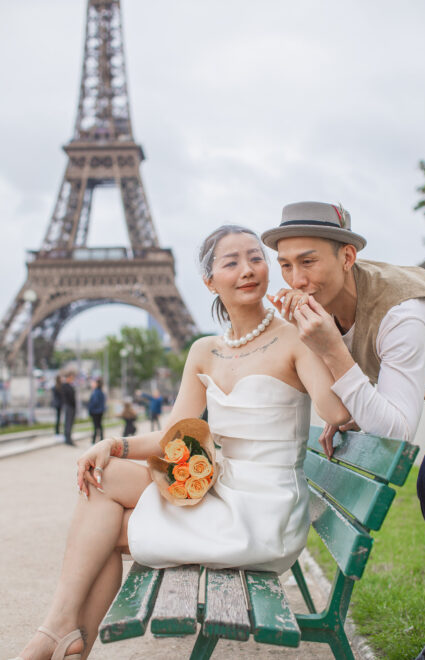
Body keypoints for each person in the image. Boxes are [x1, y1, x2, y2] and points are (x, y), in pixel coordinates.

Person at [11, 225, 349, 660]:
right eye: (231, 262)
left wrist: (323, 337)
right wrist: (114, 444)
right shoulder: (204, 349)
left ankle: (59, 634)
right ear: (210, 281)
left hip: (262, 507)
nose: (247, 269)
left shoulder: (293, 338)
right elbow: (175, 436)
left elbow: (337, 413)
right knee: (103, 476)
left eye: (255, 258)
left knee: (107, 529)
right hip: (218, 485)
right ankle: (64, 636)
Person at [261, 201, 425, 660]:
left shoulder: (405, 312)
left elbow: (397, 435)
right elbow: (369, 401)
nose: (296, 281)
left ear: (347, 257)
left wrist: (330, 351)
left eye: (308, 261)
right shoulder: (324, 312)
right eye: (285, 265)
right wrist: (348, 415)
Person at [88, 378, 106, 444]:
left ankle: (94, 440)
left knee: (96, 426)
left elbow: (94, 402)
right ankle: (101, 439)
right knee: (99, 426)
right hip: (100, 411)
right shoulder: (101, 392)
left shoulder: (95, 392)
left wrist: (90, 410)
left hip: (95, 411)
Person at [61, 371, 77, 447]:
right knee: (68, 423)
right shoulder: (65, 386)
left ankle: (69, 438)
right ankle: (67, 438)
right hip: (69, 406)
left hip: (72, 406)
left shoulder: (70, 386)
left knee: (70, 423)